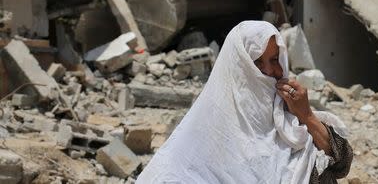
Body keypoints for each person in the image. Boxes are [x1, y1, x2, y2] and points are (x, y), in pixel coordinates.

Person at [137, 20, 352, 183]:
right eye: (257, 62)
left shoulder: (291, 119)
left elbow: (341, 164)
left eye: (275, 59)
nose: (269, 71)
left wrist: (306, 116)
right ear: (239, 68)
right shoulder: (208, 131)